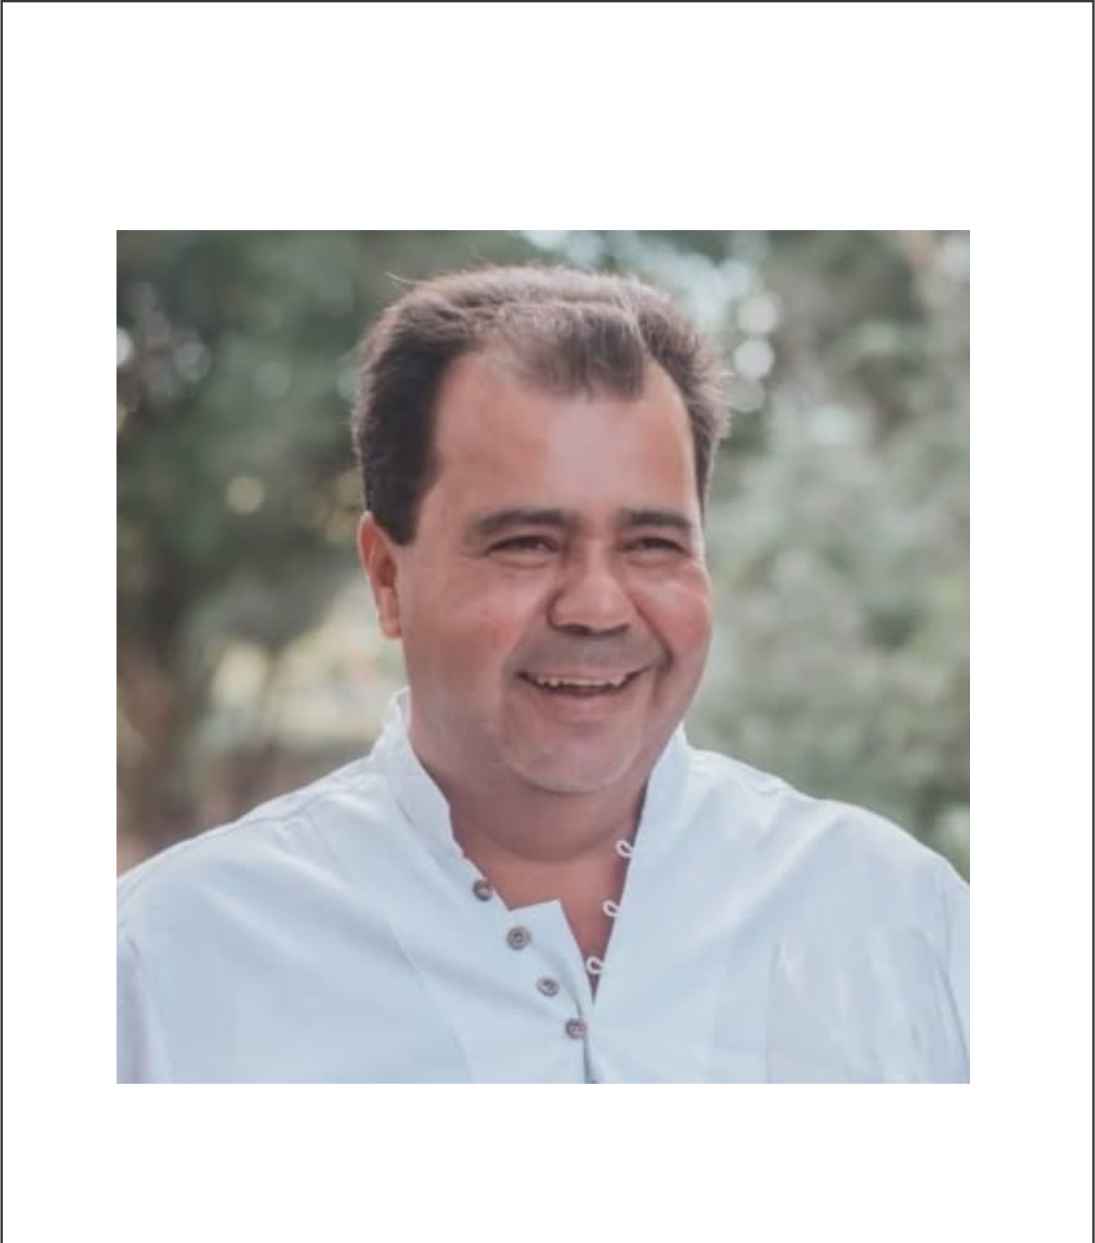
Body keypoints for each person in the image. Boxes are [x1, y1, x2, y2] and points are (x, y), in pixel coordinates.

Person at [117, 264, 970, 1083]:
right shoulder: (167, 966)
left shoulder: (900, 923)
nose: (597, 607)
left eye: (652, 544)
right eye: (526, 543)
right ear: (385, 578)